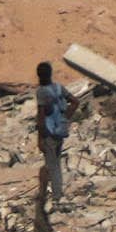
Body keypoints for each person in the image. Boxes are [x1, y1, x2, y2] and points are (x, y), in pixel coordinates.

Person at [34, 61, 73, 208]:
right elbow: (75, 102)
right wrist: (65, 119)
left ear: (39, 76)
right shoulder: (58, 88)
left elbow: (41, 116)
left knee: (52, 166)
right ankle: (57, 193)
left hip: (49, 133)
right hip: (60, 131)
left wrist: (39, 138)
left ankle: (57, 197)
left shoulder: (41, 92)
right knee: (56, 163)